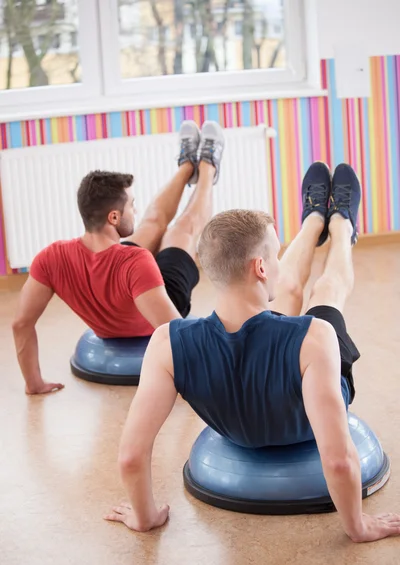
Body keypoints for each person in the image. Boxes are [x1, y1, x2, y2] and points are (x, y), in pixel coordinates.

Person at [105, 162, 400, 543]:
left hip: (242, 414)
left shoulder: (166, 343)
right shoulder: (316, 336)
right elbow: (340, 459)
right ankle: (341, 226)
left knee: (287, 289)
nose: (275, 262)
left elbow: (130, 456)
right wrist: (357, 526)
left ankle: (313, 219)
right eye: (274, 255)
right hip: (301, 390)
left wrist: (145, 518)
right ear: (261, 266)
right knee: (328, 291)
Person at [12, 120, 225, 396]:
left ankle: (186, 166)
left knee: (150, 223)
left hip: (124, 292)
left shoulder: (50, 257)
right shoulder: (135, 260)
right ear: (113, 216)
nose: (134, 209)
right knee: (183, 229)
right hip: (162, 298)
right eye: (131, 206)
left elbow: (20, 323)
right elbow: (177, 332)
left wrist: (33, 383)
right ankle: (208, 166)